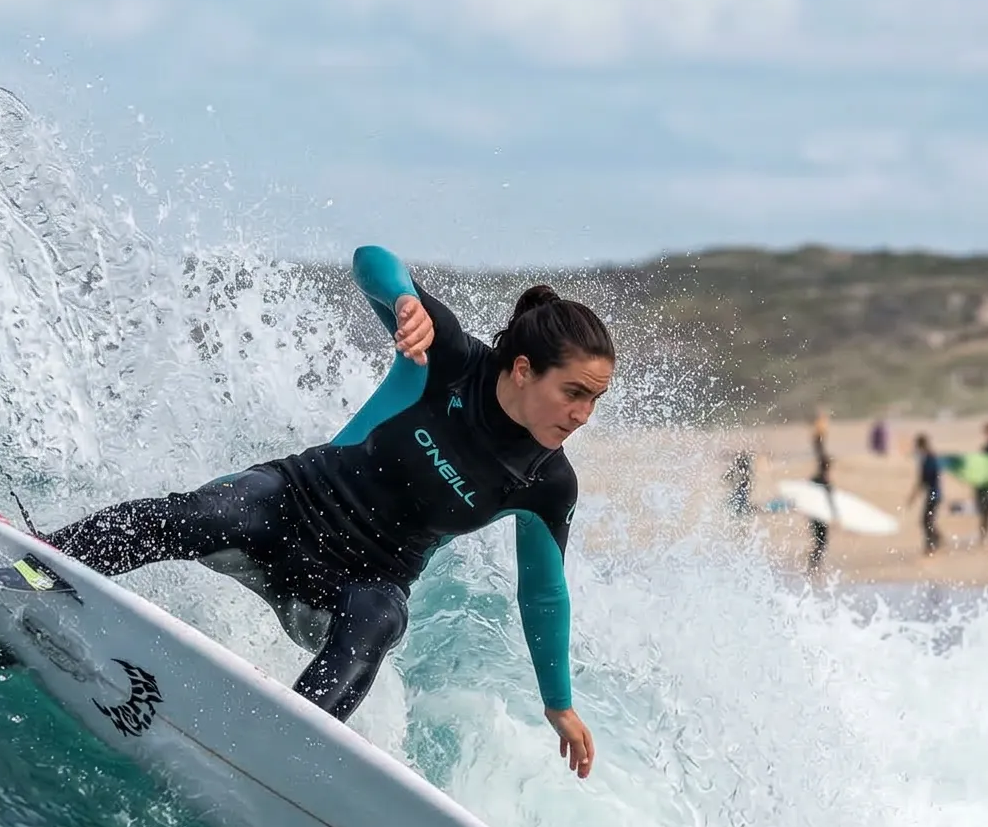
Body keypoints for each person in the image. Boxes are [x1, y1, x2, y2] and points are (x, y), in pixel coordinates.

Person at [35, 247, 612, 778]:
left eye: (595, 400)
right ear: (522, 369)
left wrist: (558, 704)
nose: (583, 414)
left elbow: (542, 593)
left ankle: (272, 766)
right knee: (209, 513)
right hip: (291, 507)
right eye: (574, 392)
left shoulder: (548, 482)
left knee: (378, 623)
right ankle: (35, 564)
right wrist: (404, 300)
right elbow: (370, 261)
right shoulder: (450, 358)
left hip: (361, 582)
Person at [907, 432, 942, 555]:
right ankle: (935, 540)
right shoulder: (928, 457)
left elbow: (923, 480)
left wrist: (913, 496)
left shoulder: (929, 458)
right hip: (934, 493)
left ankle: (932, 544)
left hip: (934, 494)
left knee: (926, 520)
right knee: (927, 520)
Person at [806, 432, 834, 574]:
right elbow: (830, 501)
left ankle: (813, 566)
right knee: (821, 542)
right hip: (821, 516)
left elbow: (807, 495)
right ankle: (813, 567)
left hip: (814, 515)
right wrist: (836, 516)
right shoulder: (825, 483)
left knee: (819, 542)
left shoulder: (814, 479)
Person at [724, 447, 755, 518]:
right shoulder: (745, 476)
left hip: (739, 496)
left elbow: (726, 479)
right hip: (740, 496)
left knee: (740, 498)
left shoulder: (740, 474)